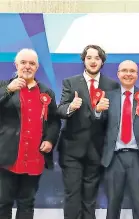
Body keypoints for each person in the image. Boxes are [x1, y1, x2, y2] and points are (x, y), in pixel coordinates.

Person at [56, 45, 119, 219]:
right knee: (72, 196)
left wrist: (99, 111)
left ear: (102, 61)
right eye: (89, 57)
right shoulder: (70, 82)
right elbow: (60, 110)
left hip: (97, 150)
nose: (93, 61)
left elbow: (113, 119)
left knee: (91, 198)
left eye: (97, 58)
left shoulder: (112, 85)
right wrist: (71, 107)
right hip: (72, 150)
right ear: (83, 60)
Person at [95, 60, 139, 219]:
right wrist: (97, 110)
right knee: (113, 204)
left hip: (138, 157)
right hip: (113, 157)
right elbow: (99, 122)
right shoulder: (108, 96)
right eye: (124, 70)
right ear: (118, 74)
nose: (128, 74)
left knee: (138, 204)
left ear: (137, 75)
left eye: (132, 71)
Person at [0, 48, 61, 219]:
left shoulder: (46, 92)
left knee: (27, 203)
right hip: (7, 157)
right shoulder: (3, 86)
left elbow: (54, 121)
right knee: (3, 202)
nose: (27, 66)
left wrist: (49, 140)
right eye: (23, 63)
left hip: (34, 157)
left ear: (37, 67)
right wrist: (8, 91)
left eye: (32, 63)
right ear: (16, 65)